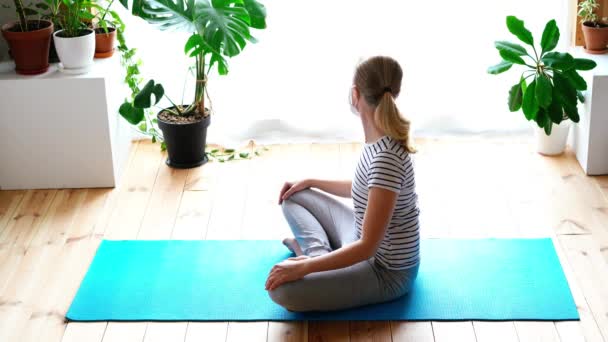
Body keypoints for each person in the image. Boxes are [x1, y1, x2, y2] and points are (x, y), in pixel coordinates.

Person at [265, 56, 420, 312]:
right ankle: (317, 254)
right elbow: (366, 190)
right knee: (293, 196)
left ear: (355, 94)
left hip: (383, 270)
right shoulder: (379, 139)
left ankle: (310, 257)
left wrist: (304, 268)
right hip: (358, 237)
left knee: (282, 292)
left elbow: (368, 247)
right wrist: (311, 182)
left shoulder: (387, 158)